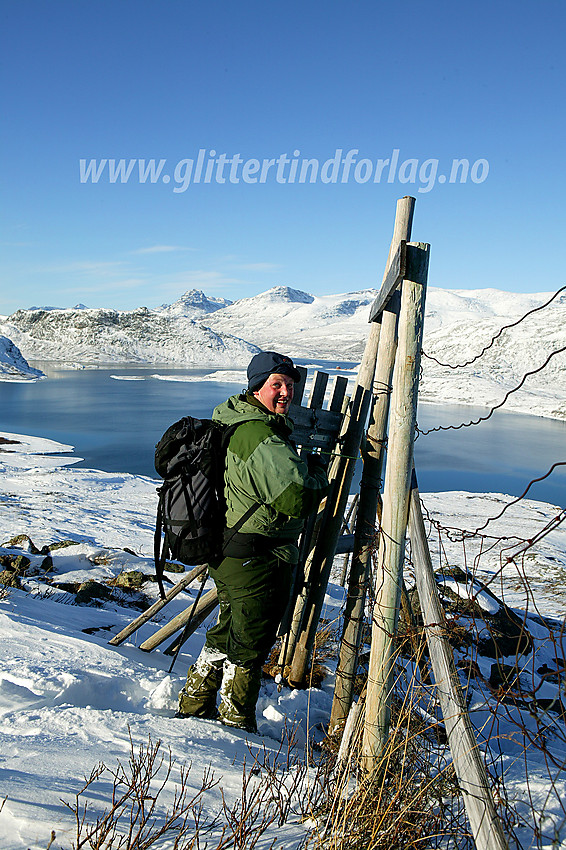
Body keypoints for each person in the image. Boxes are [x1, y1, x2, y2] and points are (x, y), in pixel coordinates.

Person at [177, 351, 329, 732]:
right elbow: (296, 497)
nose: (285, 393)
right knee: (251, 639)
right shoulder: (258, 434)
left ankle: (194, 703)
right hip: (255, 552)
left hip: (232, 548)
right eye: (276, 384)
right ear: (256, 387)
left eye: (290, 386)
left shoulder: (235, 421)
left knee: (230, 628)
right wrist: (318, 473)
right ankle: (234, 724)